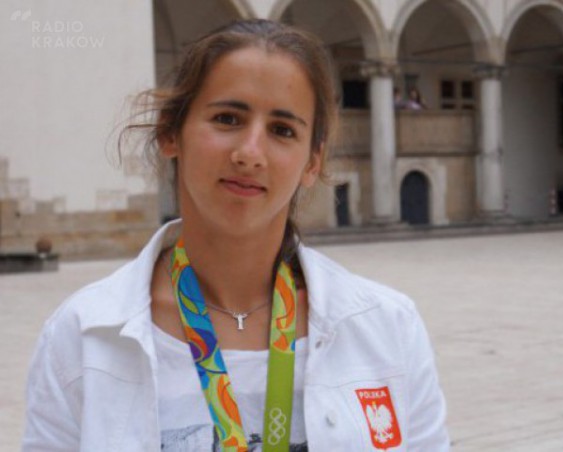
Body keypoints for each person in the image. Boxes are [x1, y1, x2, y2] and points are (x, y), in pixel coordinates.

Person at [22, 19, 449, 451]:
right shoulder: (82, 337)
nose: (250, 153)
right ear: (171, 132)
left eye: (282, 130)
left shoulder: (387, 327)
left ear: (312, 162)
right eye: (227, 119)